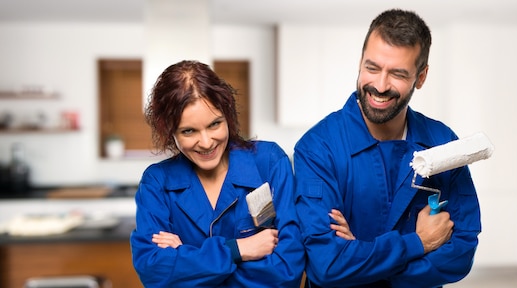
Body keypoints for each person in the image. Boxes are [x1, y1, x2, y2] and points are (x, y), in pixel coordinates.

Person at [293, 9, 481, 288]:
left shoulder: (443, 143)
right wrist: (419, 243)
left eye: (397, 74)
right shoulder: (318, 148)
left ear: (421, 76)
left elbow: (460, 253)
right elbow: (327, 265)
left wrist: (361, 259)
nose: (380, 85)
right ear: (360, 63)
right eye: (372, 68)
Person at [130, 60, 304, 287]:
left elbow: (286, 271)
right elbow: (154, 271)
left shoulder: (269, 163)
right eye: (189, 131)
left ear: (228, 116)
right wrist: (237, 249)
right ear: (170, 131)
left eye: (214, 124)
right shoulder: (157, 183)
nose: (205, 142)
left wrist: (186, 258)